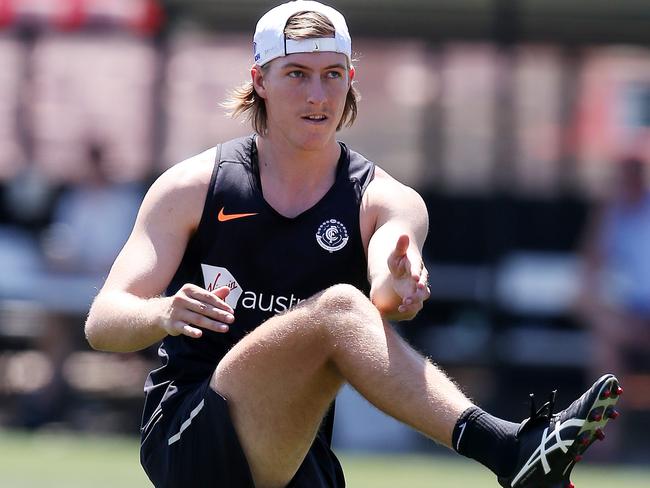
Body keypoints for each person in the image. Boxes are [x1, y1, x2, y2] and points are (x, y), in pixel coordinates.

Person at [85, 2, 622, 487]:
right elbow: (103, 322)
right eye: (297, 74)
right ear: (260, 80)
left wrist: (400, 286)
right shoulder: (194, 187)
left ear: (350, 80)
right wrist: (163, 313)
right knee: (341, 305)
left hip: (296, 452)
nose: (318, 96)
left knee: (348, 309)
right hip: (190, 432)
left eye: (332, 75)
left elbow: (387, 285)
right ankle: (504, 448)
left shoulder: (385, 198)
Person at [576, 156, 650, 385]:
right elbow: (591, 261)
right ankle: (608, 420)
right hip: (630, 313)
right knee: (604, 345)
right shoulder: (612, 214)